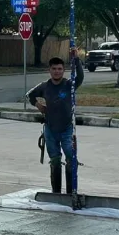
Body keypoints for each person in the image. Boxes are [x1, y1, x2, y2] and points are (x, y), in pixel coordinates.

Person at [27, 49, 84, 194]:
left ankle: (71, 193)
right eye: (54, 69)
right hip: (50, 130)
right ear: (49, 70)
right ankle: (56, 193)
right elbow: (30, 95)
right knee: (55, 162)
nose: (57, 72)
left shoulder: (69, 85)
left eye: (59, 69)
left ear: (64, 71)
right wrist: (38, 105)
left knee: (71, 160)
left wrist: (76, 59)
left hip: (67, 130)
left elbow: (80, 77)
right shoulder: (44, 86)